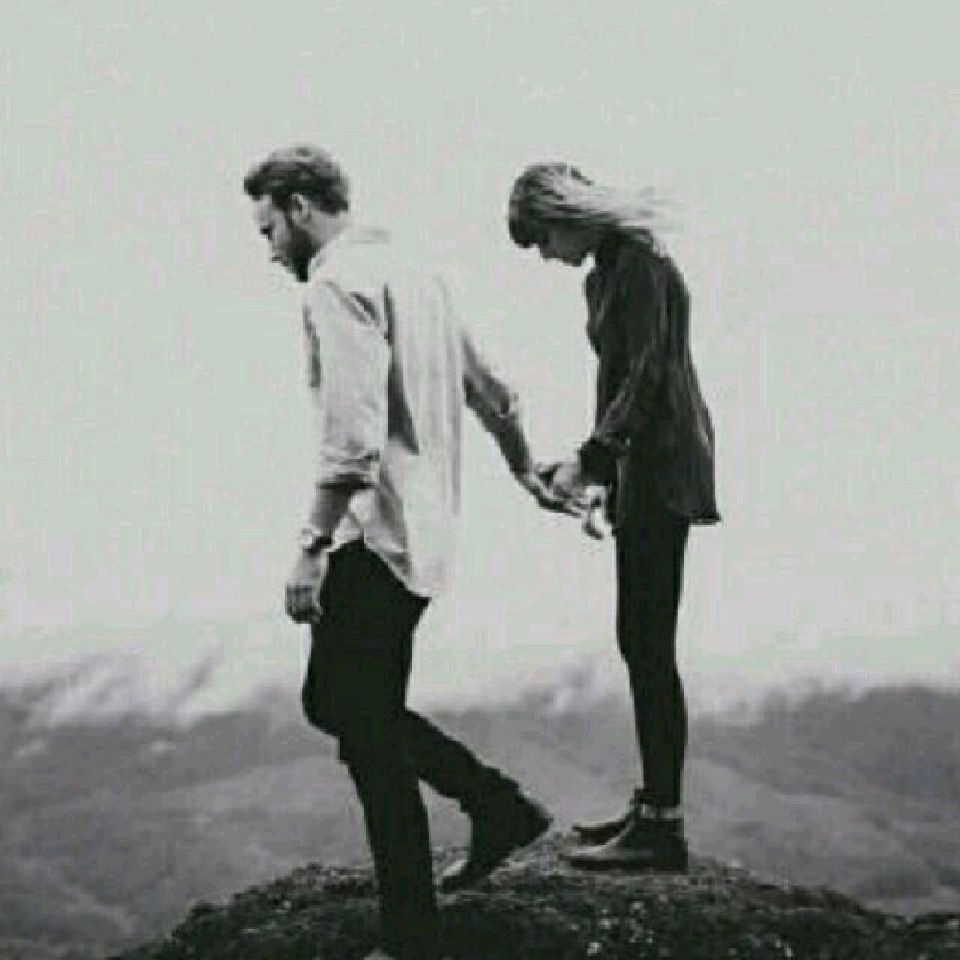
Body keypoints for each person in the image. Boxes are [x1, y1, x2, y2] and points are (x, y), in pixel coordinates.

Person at [243, 145, 565, 960]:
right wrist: (526, 470)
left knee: (361, 725)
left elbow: (351, 439)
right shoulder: (418, 274)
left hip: (373, 535)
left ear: (300, 207)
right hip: (427, 536)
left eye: (268, 229)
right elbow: (494, 390)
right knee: (348, 707)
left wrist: (311, 546)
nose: (269, 249)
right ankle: (495, 807)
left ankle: (415, 932)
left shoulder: (335, 284)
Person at [507, 162, 721, 872]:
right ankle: (653, 805)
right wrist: (601, 473)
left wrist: (593, 459)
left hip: (665, 463)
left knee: (648, 642)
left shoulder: (642, 266)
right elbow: (615, 381)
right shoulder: (605, 275)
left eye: (542, 239)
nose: (545, 255)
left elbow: (651, 376)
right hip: (640, 466)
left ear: (566, 215)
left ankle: (663, 825)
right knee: (640, 640)